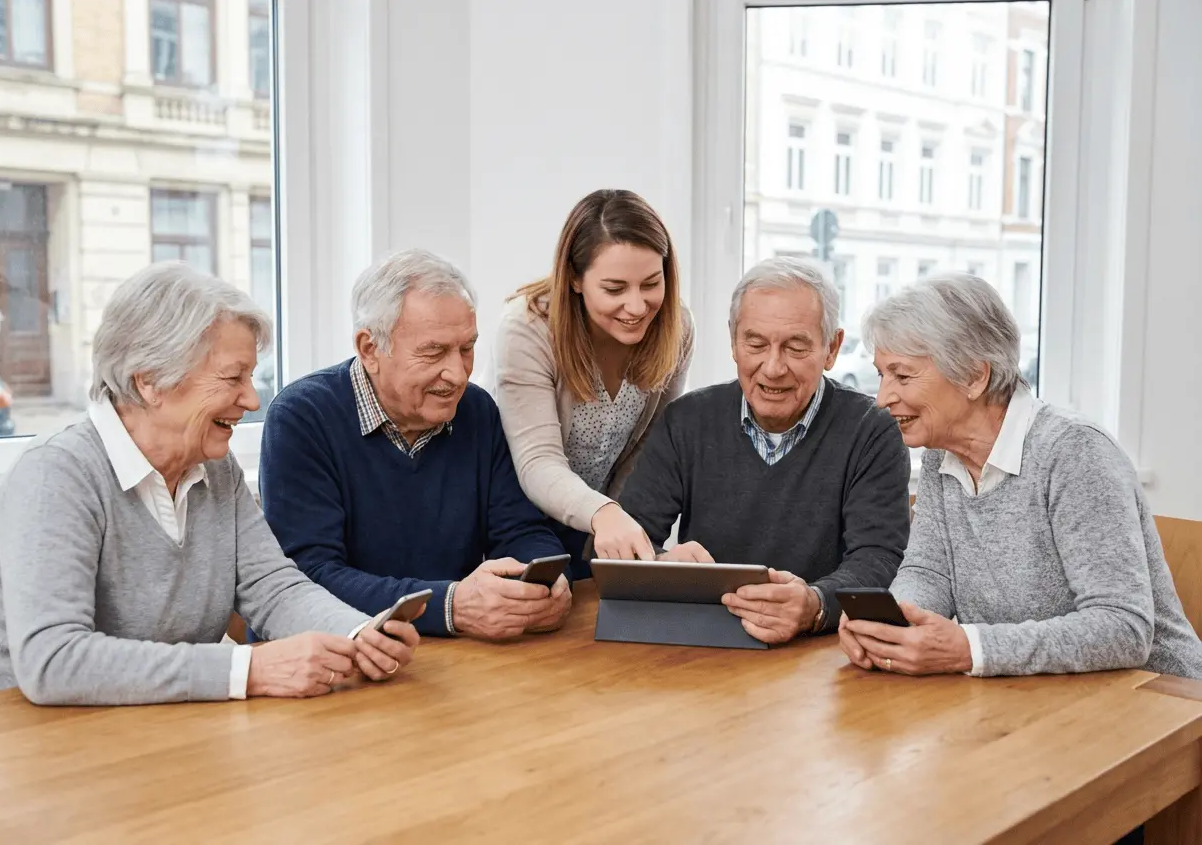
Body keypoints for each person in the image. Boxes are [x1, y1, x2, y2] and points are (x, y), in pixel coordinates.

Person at [0, 263, 419, 705]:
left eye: (250, 376)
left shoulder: (215, 467)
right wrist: (246, 669)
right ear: (149, 380)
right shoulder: (56, 474)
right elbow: (53, 660)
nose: (252, 400)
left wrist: (358, 634)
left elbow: (272, 587)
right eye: (233, 377)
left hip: (129, 731)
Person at [839, 274, 1202, 679]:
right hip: (1039, 698)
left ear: (975, 377)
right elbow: (928, 572)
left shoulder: (1075, 452)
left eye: (902, 376)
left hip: (1160, 703)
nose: (883, 397)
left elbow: (1124, 628)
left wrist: (970, 648)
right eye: (882, 374)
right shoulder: (945, 455)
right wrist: (890, 626)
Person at [260, 248, 571, 642]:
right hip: (332, 658)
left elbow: (521, 530)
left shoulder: (477, 410)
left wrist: (545, 582)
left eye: (467, 348)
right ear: (370, 349)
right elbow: (309, 579)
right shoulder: (301, 417)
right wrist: (450, 605)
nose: (457, 374)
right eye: (434, 351)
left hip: (442, 658)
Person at [619, 257, 911, 645]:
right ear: (733, 340)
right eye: (755, 343)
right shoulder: (687, 420)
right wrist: (659, 565)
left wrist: (813, 604)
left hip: (819, 655)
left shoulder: (872, 430)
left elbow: (880, 560)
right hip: (702, 644)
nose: (772, 368)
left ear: (832, 348)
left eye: (795, 347)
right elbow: (627, 540)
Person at [494, 189, 694, 577]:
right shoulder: (528, 328)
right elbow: (536, 461)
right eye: (615, 289)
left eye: (651, 283)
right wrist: (605, 514)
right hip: (516, 514)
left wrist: (617, 532)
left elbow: (645, 452)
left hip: (599, 518)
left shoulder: (677, 328)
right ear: (573, 279)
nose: (637, 307)